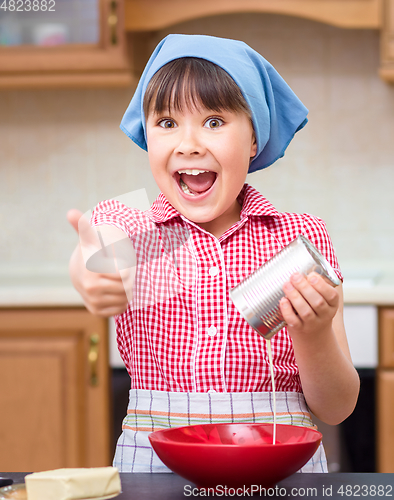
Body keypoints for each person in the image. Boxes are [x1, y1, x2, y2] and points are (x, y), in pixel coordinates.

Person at [68, 34, 360, 473]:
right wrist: (92, 275)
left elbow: (336, 408)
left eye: (214, 121)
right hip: (157, 472)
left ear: (254, 140)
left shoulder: (298, 239)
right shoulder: (140, 231)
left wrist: (313, 335)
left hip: (279, 473)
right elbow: (98, 247)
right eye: (167, 123)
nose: (188, 143)